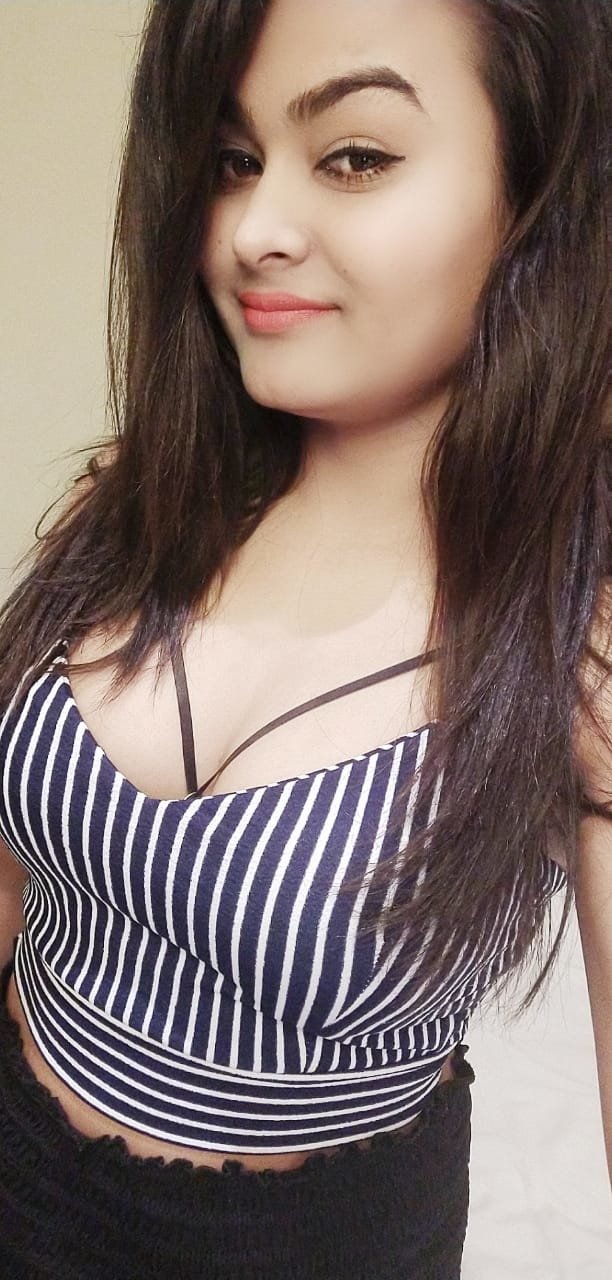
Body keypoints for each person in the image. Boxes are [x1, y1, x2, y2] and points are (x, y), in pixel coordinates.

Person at [0, 0, 609, 1275]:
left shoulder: (573, 641)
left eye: (355, 156)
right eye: (233, 159)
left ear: (539, 196)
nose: (253, 229)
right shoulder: (137, 504)